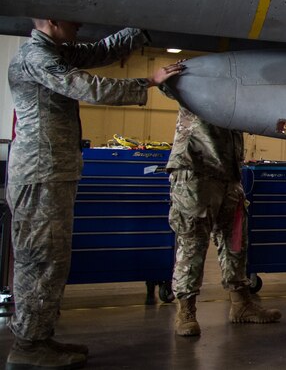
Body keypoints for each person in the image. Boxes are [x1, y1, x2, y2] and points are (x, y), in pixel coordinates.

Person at [6, 20, 184, 370]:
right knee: (41, 258)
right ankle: (28, 345)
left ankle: (39, 337)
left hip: (51, 170)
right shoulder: (37, 56)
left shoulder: (53, 50)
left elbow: (97, 53)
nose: (80, 24)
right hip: (40, 172)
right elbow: (87, 86)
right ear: (53, 22)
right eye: (72, 20)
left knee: (52, 258)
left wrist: (138, 29)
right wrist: (148, 81)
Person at [160, 98, 281, 337]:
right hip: (196, 168)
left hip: (229, 172)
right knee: (192, 242)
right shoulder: (201, 76)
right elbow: (169, 84)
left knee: (235, 242)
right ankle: (186, 311)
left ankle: (241, 304)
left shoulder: (241, 88)